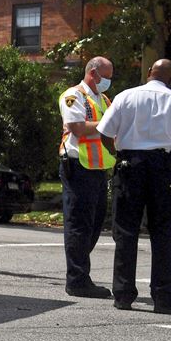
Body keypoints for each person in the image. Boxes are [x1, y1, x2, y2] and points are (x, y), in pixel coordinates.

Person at [96, 59, 171, 313]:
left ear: (149, 73)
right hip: (161, 168)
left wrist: (118, 156)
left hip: (129, 165)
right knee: (162, 234)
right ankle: (163, 298)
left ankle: (123, 295)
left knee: (125, 232)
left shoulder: (125, 97)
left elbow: (104, 132)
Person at [57, 56, 115, 297]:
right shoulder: (73, 95)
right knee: (78, 226)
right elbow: (78, 128)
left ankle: (80, 275)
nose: (110, 81)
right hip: (78, 167)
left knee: (93, 225)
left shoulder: (104, 99)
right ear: (93, 73)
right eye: (107, 76)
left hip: (98, 169)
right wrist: (108, 124)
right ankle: (77, 280)